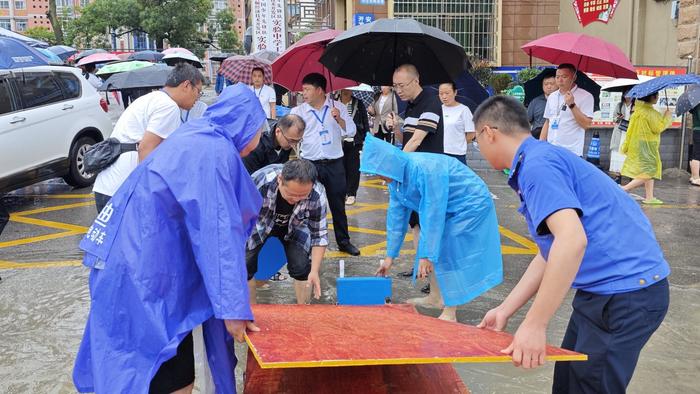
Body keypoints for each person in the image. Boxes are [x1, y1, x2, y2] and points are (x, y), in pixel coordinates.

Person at [73, 83, 266, 393]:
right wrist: (232, 309)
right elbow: (218, 233)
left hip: (129, 261)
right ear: (245, 124)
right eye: (259, 130)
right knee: (154, 368)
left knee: (134, 361)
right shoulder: (214, 153)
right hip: (147, 276)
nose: (259, 141)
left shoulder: (197, 135)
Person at [472, 96, 670, 392]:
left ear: (489, 132)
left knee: (591, 386)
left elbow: (571, 241)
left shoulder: (537, 167)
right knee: (568, 382)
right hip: (602, 292)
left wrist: (535, 324)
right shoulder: (538, 159)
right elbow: (550, 251)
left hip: (627, 294)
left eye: (477, 140)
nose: (479, 147)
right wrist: (506, 310)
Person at [360, 135, 502, 321]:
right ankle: (435, 298)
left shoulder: (425, 170)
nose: (378, 177)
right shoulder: (396, 180)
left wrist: (426, 255)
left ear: (388, 165)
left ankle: (450, 311)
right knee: (435, 249)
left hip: (470, 203)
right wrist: (389, 257)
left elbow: (432, 214)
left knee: (447, 252)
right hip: (447, 207)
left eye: (378, 171)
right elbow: (396, 219)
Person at [92, 63, 204, 212]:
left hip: (108, 186)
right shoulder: (168, 106)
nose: (198, 98)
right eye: (198, 91)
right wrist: (150, 196)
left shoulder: (151, 98)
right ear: (186, 85)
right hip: (124, 190)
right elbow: (146, 149)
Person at [290, 73, 360, 256]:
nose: (303, 93)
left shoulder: (338, 108)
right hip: (310, 165)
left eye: (307, 89)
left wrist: (339, 119)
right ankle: (306, 244)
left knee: (338, 204)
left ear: (320, 90)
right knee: (307, 206)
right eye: (303, 89)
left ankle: (344, 242)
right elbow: (289, 134)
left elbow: (351, 131)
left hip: (335, 163)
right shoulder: (298, 112)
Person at [390, 64, 446, 281]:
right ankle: (419, 268)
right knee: (416, 224)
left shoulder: (431, 101)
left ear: (416, 81)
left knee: (429, 225)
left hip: (429, 175)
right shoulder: (410, 106)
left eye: (402, 85)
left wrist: (397, 164)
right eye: (395, 86)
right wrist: (396, 127)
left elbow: (417, 139)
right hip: (414, 176)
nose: (399, 90)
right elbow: (405, 138)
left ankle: (434, 280)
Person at [246, 160, 328, 305]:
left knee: (302, 268)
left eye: (302, 196)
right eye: (291, 194)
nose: (295, 200)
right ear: (280, 180)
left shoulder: (317, 194)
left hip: (296, 226)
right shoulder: (258, 184)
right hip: (259, 223)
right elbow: (238, 220)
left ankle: (303, 315)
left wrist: (314, 271)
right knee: (245, 268)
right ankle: (249, 314)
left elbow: (319, 234)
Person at [620, 92, 672, 204]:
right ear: (652, 97)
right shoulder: (650, 113)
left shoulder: (637, 111)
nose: (658, 98)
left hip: (638, 143)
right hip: (648, 145)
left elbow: (630, 130)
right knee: (650, 171)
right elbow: (658, 128)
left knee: (647, 170)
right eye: (656, 96)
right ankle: (624, 188)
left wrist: (627, 145)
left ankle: (649, 197)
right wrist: (667, 117)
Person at [539, 63, 594, 157]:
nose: (560, 80)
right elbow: (548, 121)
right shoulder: (552, 96)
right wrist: (540, 145)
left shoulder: (586, 96)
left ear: (574, 77)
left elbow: (586, 124)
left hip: (571, 152)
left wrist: (572, 105)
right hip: (551, 149)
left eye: (564, 77)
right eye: (557, 77)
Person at [337, 88, 370, 205]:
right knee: (340, 168)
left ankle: (351, 193)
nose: (346, 91)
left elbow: (364, 120)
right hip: (338, 141)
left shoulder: (358, 103)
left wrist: (366, 137)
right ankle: (343, 192)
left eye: (349, 89)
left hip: (354, 140)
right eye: (344, 89)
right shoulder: (334, 103)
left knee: (353, 168)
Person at [439, 82, 475, 164]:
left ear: (455, 92)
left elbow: (471, 134)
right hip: (440, 153)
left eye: (447, 93)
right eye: (441, 94)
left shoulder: (464, 110)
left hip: (457, 154)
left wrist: (459, 144)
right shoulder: (438, 109)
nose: (444, 97)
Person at [609, 93, 635, 183]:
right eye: (626, 94)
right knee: (618, 152)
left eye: (630, 94)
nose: (628, 96)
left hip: (630, 132)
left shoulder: (635, 106)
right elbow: (614, 119)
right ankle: (618, 175)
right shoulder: (619, 105)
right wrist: (619, 118)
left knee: (629, 153)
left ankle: (631, 175)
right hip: (620, 132)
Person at [527, 70, 557, 139]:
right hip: (537, 135)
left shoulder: (564, 101)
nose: (549, 87)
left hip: (555, 136)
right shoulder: (535, 102)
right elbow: (527, 120)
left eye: (552, 84)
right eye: (546, 84)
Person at [689, 104, 700, 186]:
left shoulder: (695, 103)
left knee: (695, 154)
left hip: (696, 130)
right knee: (697, 155)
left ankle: (693, 176)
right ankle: (696, 178)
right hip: (699, 131)